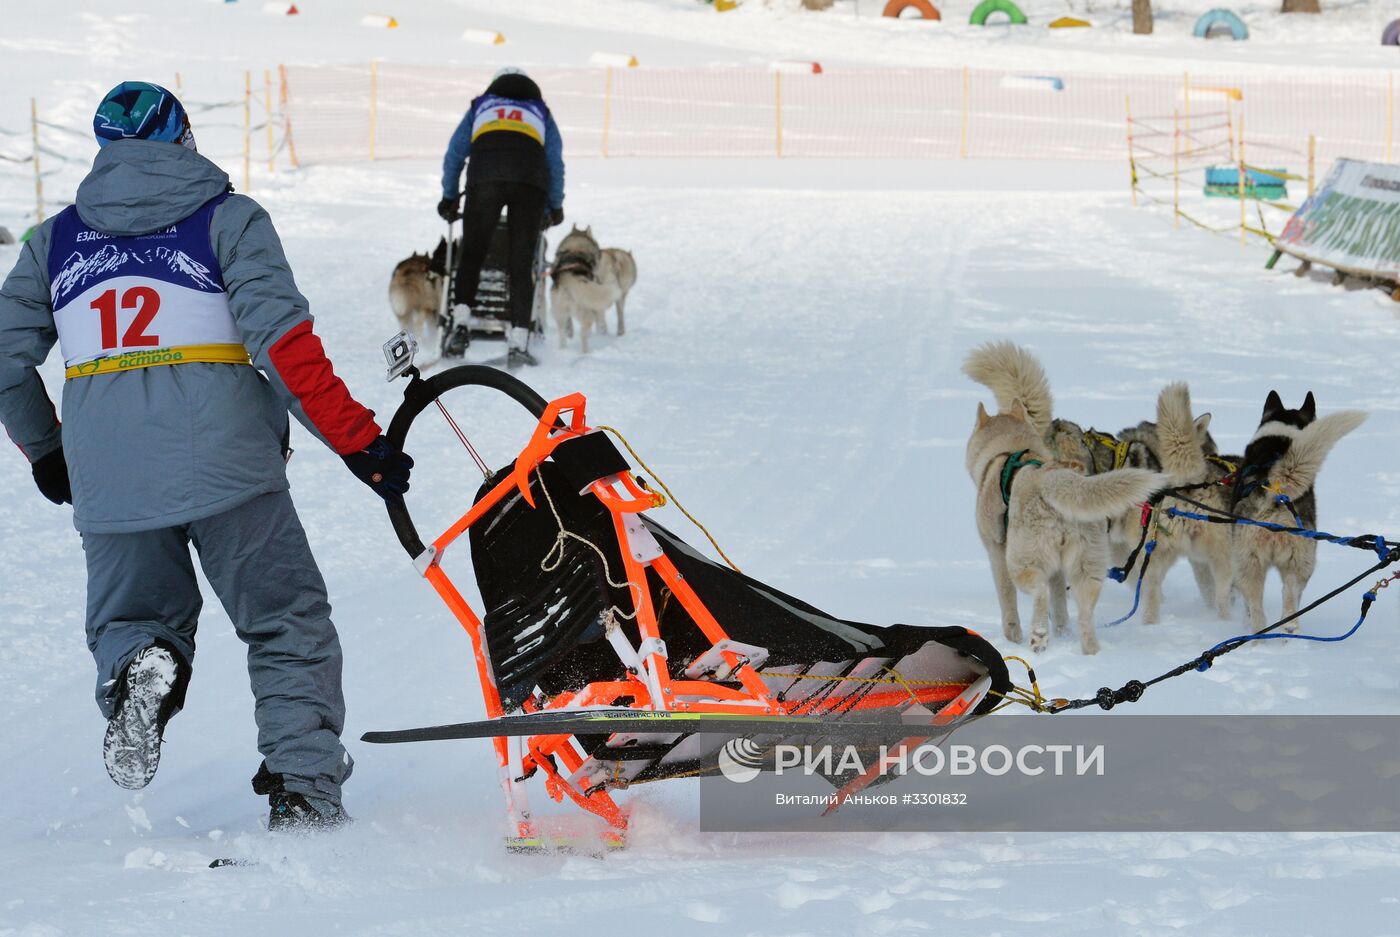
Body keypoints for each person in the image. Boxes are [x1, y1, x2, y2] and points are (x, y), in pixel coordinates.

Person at [0, 81, 413, 830]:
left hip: (110, 474)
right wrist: (359, 441)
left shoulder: (53, 241)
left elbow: (2, 352)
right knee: (287, 620)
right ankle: (304, 786)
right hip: (230, 471)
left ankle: (138, 670)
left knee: (133, 616)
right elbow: (283, 346)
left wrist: (45, 447)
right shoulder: (230, 219)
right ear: (182, 137)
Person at [438, 67, 565, 365]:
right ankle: (519, 340)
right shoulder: (540, 111)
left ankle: (460, 324)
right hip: (530, 183)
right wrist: (554, 206)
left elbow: (454, 154)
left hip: (484, 179)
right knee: (521, 263)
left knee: (471, 254)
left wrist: (450, 197)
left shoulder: (482, 106)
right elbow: (554, 162)